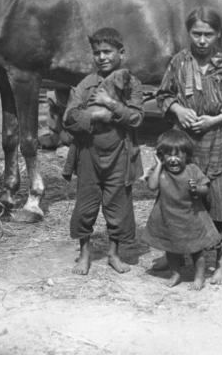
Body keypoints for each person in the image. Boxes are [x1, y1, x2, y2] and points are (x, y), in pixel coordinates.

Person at [156, 7, 222, 285]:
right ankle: (178, 257)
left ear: (218, 34)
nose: (202, 40)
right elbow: (163, 95)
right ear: (189, 33)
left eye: (208, 34)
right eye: (197, 34)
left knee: (218, 202)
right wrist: (178, 111)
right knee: (179, 199)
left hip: (217, 141)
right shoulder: (179, 62)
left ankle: (221, 262)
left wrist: (215, 119)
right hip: (184, 145)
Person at [63, 27, 144, 276]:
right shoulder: (86, 85)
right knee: (85, 205)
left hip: (120, 153)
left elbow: (137, 117)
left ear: (121, 52)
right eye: (97, 53)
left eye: (107, 51)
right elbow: (69, 118)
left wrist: (110, 106)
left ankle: (113, 253)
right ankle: (85, 254)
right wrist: (96, 115)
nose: (102, 57)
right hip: (88, 153)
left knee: (118, 206)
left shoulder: (131, 84)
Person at [141, 129, 221, 290]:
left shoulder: (192, 169)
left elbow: (205, 188)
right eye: (168, 155)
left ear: (187, 155)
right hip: (168, 218)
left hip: (191, 218)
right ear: (161, 156)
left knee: (196, 251)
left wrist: (197, 189)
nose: (173, 159)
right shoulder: (161, 171)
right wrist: (158, 165)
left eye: (178, 155)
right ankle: (175, 273)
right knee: (171, 250)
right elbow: (152, 186)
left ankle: (199, 277)